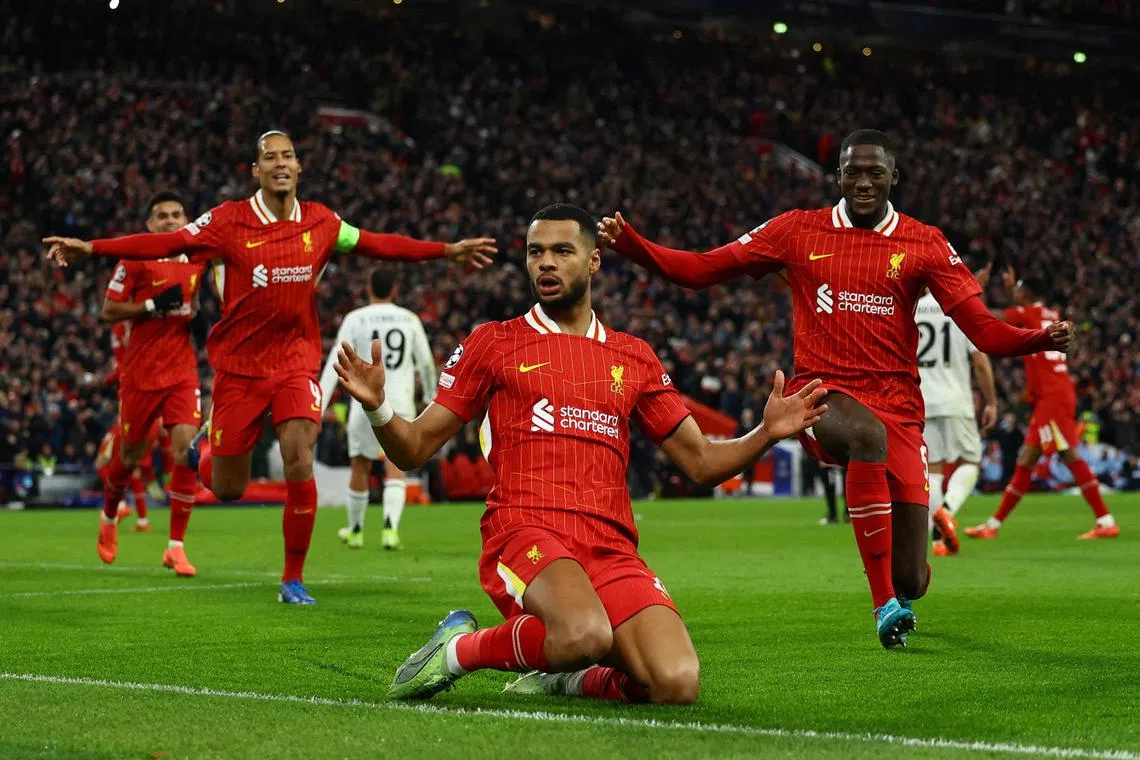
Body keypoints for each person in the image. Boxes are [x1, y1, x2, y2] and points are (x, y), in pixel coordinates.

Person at [597, 129, 1075, 647]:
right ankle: (881, 605)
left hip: (901, 408)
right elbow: (700, 269)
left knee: (914, 576)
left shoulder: (925, 241)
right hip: (821, 395)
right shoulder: (797, 231)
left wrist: (1036, 339)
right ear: (838, 176)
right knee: (865, 438)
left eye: (875, 172)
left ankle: (898, 590)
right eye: (853, 171)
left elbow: (982, 329)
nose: (863, 182)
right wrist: (634, 246)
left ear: (894, 177)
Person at [332, 204, 827, 702]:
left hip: (610, 545)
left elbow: (701, 462)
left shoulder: (633, 356)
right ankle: (458, 650)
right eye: (535, 252)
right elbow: (415, 448)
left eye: (562, 251)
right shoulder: (494, 343)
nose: (546, 263)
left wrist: (765, 432)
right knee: (583, 634)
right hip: (526, 529)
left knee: (675, 683)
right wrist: (378, 408)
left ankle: (563, 678)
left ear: (593, 262)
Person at [44, 130, 496, 604]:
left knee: (299, 456)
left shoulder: (322, 222)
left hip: (296, 361)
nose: (280, 163)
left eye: (288, 156)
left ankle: (292, 580)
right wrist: (92, 248)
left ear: (299, 168)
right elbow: (169, 240)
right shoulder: (228, 222)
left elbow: (379, 244)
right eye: (269, 157)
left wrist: (447, 250)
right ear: (255, 171)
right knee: (228, 486)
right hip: (239, 369)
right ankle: (203, 451)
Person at [96, 191, 205, 576]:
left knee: (186, 450)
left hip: (182, 371)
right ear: (150, 224)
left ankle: (175, 546)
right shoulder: (135, 259)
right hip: (140, 374)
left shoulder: (199, 257)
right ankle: (109, 517)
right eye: (162, 216)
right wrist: (151, 306)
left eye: (178, 214)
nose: (171, 221)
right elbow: (108, 312)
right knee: (127, 459)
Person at [965, 270, 1118, 541]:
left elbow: (987, 316)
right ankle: (993, 525)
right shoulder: (1047, 314)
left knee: (1069, 455)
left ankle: (1105, 520)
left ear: (1027, 294)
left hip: (1052, 399)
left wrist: (979, 288)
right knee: (1027, 461)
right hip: (1055, 393)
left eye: (1019, 288)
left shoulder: (1028, 314)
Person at [318, 266, 436, 550]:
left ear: (368, 289)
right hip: (401, 400)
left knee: (360, 464)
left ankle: (356, 531)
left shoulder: (355, 318)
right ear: (394, 291)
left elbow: (337, 361)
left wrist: (319, 405)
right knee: (396, 465)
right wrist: (432, 397)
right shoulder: (409, 319)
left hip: (365, 401)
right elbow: (427, 363)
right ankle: (390, 530)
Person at [914, 288, 998, 556]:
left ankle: (940, 542)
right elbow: (980, 362)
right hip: (956, 400)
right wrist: (991, 401)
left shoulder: (913, 310)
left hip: (922, 400)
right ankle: (946, 513)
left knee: (934, 470)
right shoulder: (959, 309)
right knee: (970, 461)